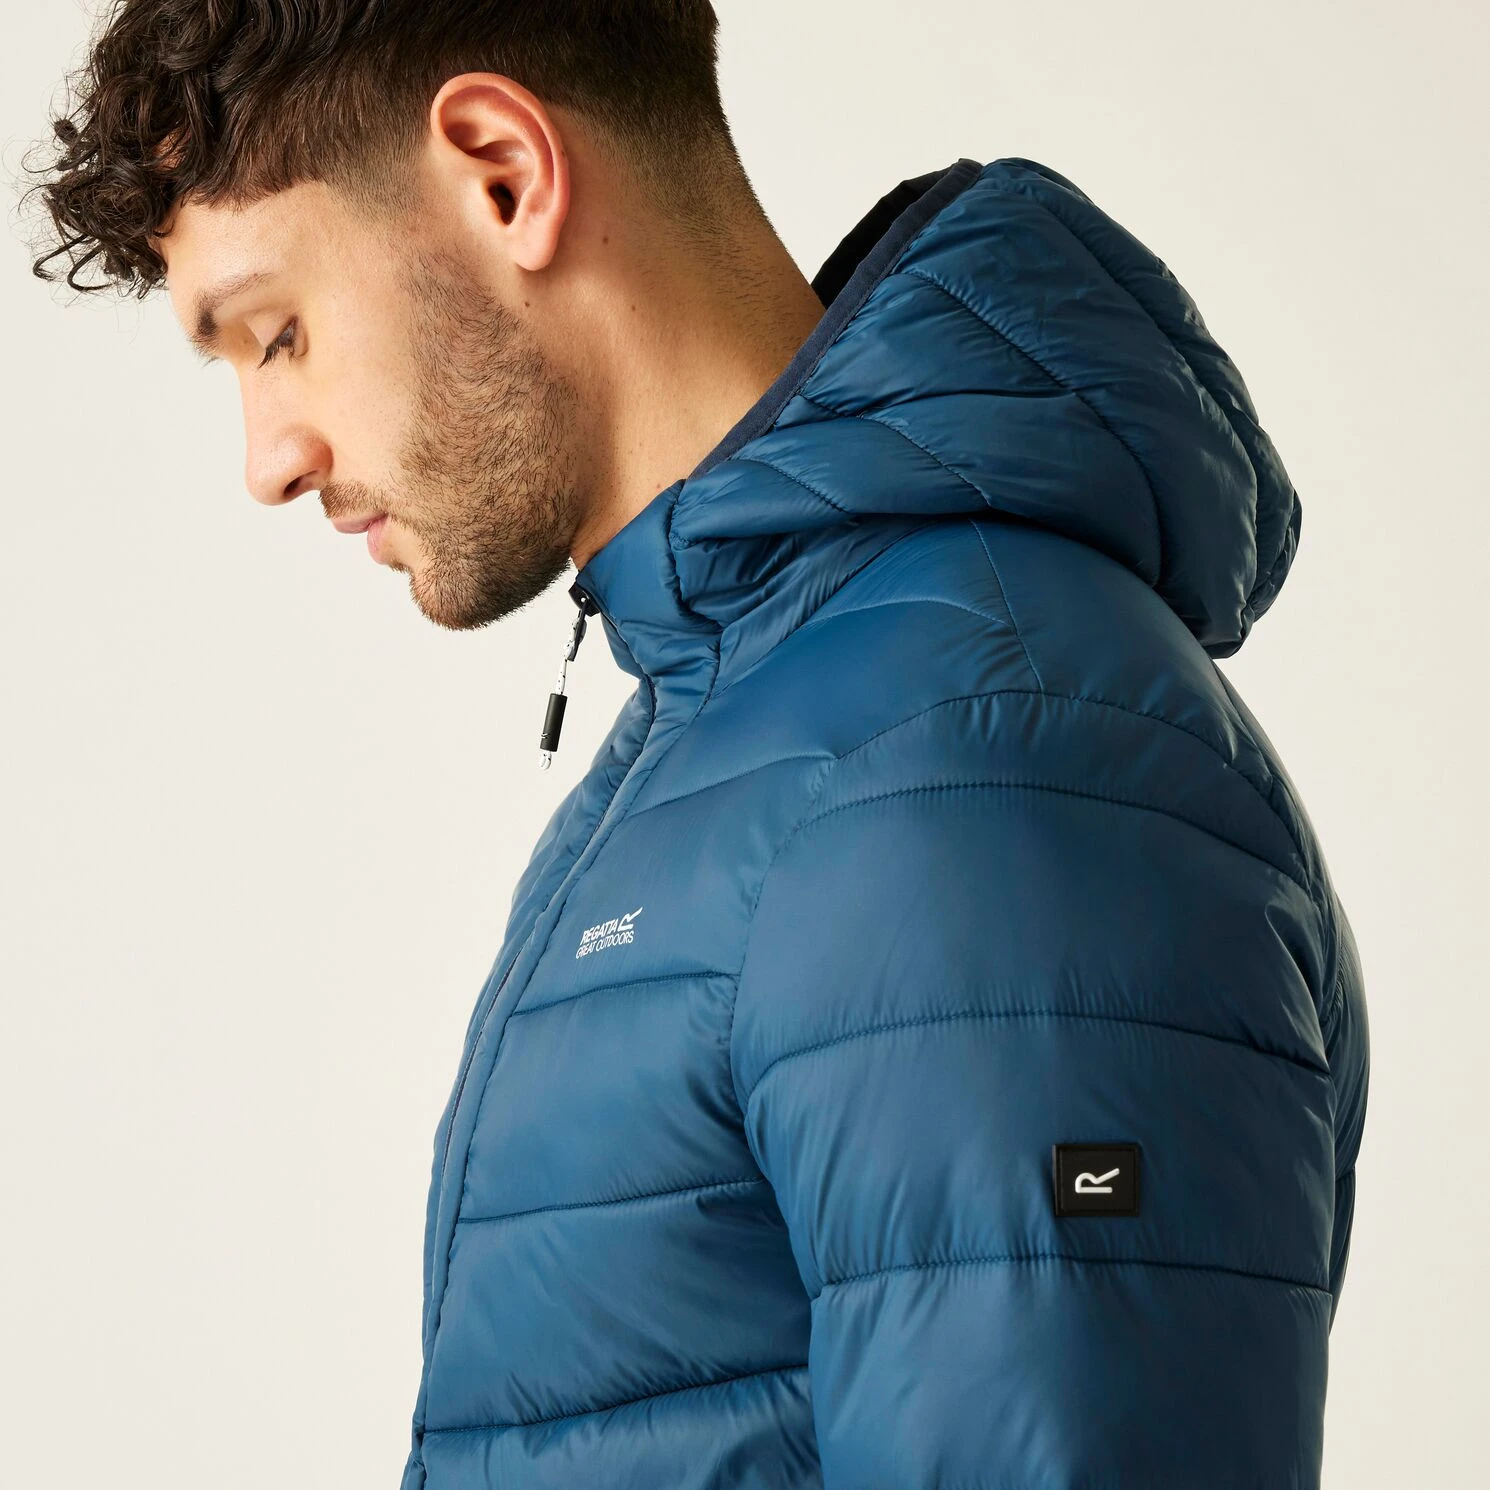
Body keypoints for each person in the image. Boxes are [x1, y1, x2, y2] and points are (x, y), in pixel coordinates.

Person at [27, 3, 1370, 1486]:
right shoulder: (763, 717)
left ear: (504, 175)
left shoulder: (970, 763)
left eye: (279, 333)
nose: (267, 458)